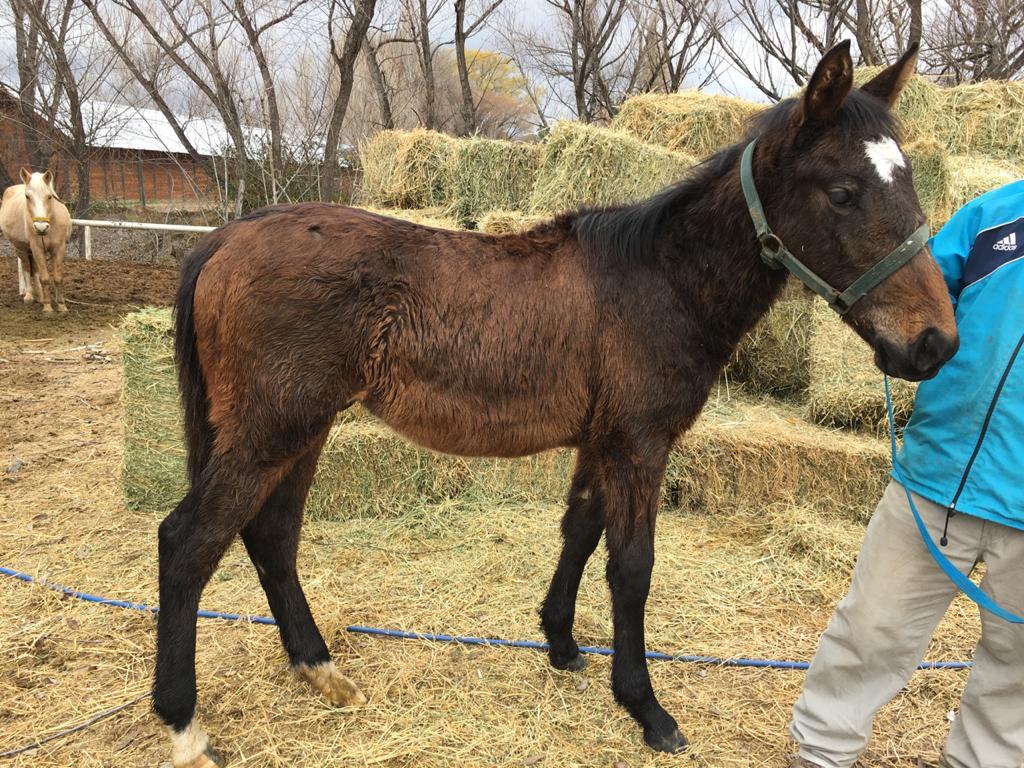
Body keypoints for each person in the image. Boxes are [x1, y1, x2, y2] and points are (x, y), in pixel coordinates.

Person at [788, 180, 1024, 768]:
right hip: (935, 476)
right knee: (871, 628)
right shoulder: (995, 216)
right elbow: (913, 293)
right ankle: (820, 752)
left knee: (1019, 663)